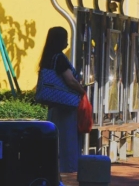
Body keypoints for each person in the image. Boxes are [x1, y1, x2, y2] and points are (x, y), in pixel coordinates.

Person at [39, 26, 87, 180]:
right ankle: (67, 173)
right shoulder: (59, 58)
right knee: (67, 142)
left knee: (55, 141)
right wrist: (82, 91)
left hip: (54, 105)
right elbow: (70, 80)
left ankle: (54, 172)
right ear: (59, 40)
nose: (67, 42)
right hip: (66, 106)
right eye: (65, 39)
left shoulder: (47, 57)